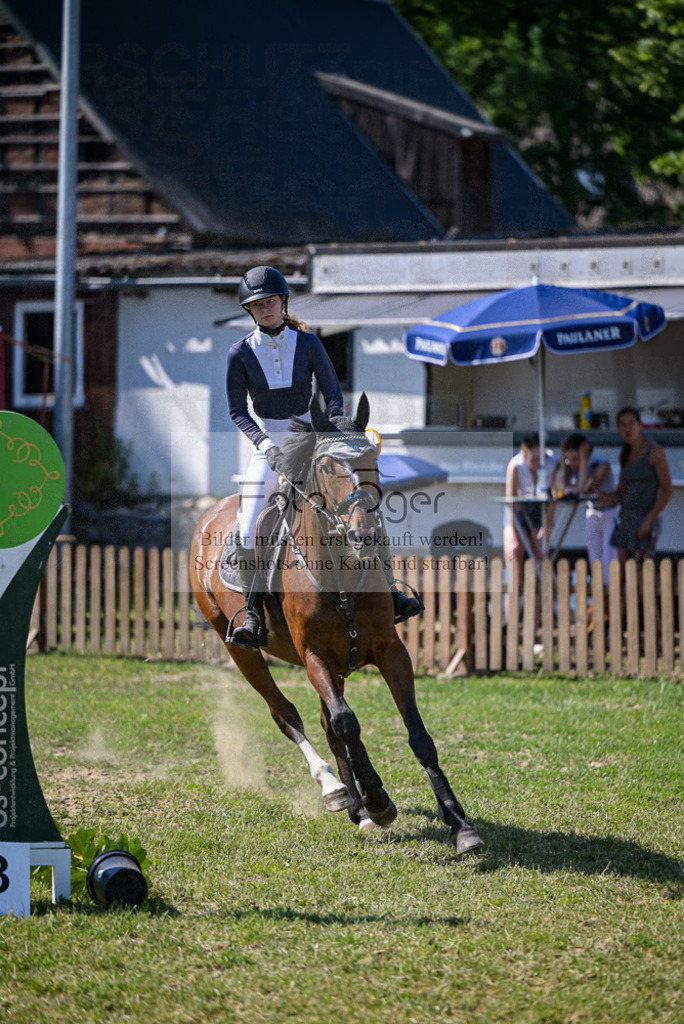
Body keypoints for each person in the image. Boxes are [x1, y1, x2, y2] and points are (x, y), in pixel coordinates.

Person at [225, 265, 422, 648]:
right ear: (251, 311)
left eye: (271, 302)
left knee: (362, 504)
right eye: (258, 305)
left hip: (315, 438)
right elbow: (237, 411)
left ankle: (392, 591)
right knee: (249, 522)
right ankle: (251, 613)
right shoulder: (240, 354)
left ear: (283, 302)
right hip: (270, 444)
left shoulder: (309, 344)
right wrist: (265, 446)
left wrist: (333, 435)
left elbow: (333, 395)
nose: (266, 310)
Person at [598, 407, 673, 568]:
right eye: (623, 425)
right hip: (626, 519)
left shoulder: (655, 452)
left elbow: (667, 491)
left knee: (640, 573)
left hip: (645, 517)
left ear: (640, 425)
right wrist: (598, 493)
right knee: (624, 574)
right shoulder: (625, 455)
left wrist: (648, 520)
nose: (627, 428)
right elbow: (620, 495)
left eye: (631, 423)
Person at [552, 432, 619, 585]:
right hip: (592, 512)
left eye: (576, 458)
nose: (573, 464)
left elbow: (584, 488)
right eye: (570, 459)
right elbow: (558, 489)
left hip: (610, 513)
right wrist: (564, 460)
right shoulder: (571, 467)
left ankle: (609, 596)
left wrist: (584, 459)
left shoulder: (601, 465)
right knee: (594, 559)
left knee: (609, 560)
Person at [503, 433, 556, 620]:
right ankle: (510, 620)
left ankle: (536, 621)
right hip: (518, 511)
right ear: (525, 455)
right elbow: (511, 503)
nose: (537, 461)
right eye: (533, 458)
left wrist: (545, 529)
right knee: (515, 558)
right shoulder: (516, 466)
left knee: (539, 562)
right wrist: (517, 535)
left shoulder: (551, 464)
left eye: (539, 456)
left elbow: (554, 499)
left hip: (541, 511)